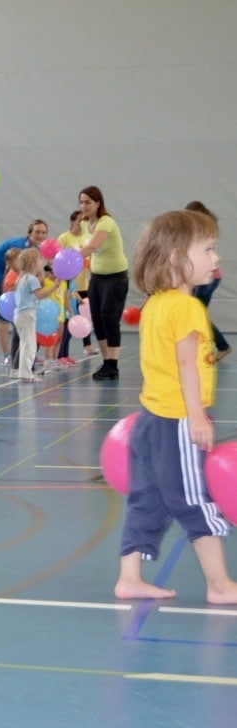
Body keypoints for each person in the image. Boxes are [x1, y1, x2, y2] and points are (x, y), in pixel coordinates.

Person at [114, 208, 237, 605]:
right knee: (196, 499)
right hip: (177, 421)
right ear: (175, 257)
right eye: (209, 249)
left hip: (150, 419)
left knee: (146, 499)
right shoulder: (186, 307)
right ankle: (220, 585)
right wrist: (197, 416)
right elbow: (187, 365)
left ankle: (129, 577)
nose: (216, 258)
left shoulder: (156, 303)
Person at [77, 186, 127, 381]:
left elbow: (92, 246)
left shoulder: (106, 222)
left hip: (115, 277)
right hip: (96, 277)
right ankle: (106, 362)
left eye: (88, 202)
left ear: (98, 203)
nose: (84, 205)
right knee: (97, 319)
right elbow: (85, 248)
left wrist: (65, 258)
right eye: (81, 202)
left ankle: (113, 365)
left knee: (109, 318)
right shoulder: (83, 224)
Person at [0, 220, 47, 364]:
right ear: (30, 233)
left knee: (18, 317)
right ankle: (8, 355)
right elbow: (13, 267)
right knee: (5, 314)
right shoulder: (20, 246)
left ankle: (24, 353)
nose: (40, 235)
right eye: (37, 232)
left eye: (43, 232)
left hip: (9, 275)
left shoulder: (37, 249)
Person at [185, 201, 230, 362]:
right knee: (197, 314)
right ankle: (221, 346)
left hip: (209, 278)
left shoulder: (204, 231)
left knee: (198, 315)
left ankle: (217, 347)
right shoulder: (199, 230)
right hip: (204, 277)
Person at [12, 249, 61, 382]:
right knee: (30, 345)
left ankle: (23, 372)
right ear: (33, 262)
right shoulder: (32, 279)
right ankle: (27, 374)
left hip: (20, 314)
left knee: (25, 344)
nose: (42, 262)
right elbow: (40, 295)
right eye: (39, 259)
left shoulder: (22, 277)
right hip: (27, 314)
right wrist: (55, 286)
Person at [56, 210, 97, 358]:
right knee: (70, 315)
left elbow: (92, 255)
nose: (82, 223)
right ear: (72, 221)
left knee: (85, 313)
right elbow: (59, 258)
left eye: (85, 220)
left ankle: (88, 345)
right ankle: (62, 352)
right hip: (70, 282)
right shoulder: (64, 238)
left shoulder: (88, 237)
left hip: (84, 281)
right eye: (80, 220)